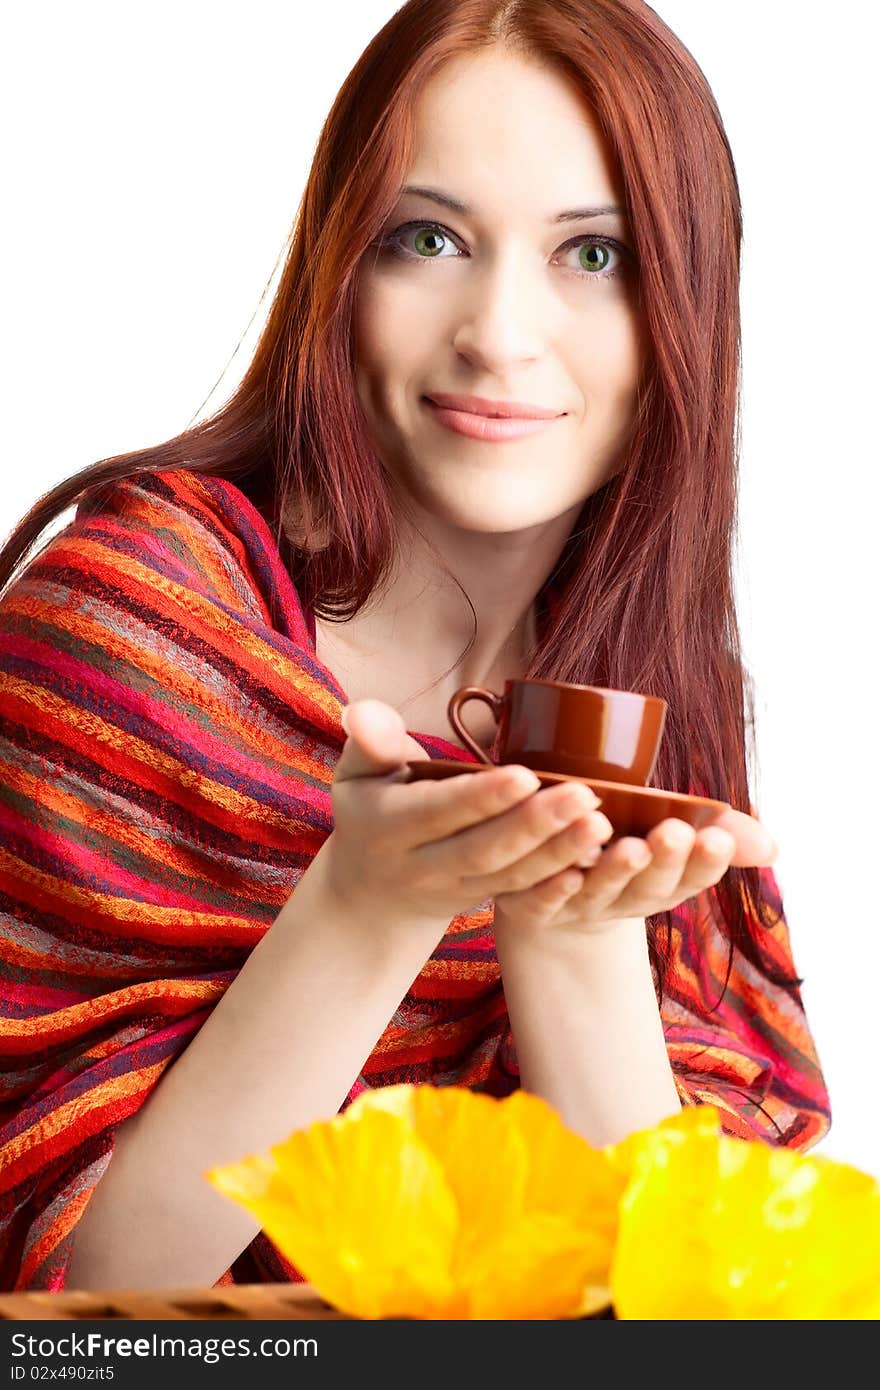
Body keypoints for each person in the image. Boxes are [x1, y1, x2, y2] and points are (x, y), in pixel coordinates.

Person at [0, 0, 830, 1294]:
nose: (499, 334)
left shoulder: (651, 709)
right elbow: (78, 1313)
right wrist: (367, 900)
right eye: (428, 238)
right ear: (343, 264)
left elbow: (681, 1313)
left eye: (593, 256)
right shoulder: (137, 624)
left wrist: (566, 926)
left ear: (691, 302)